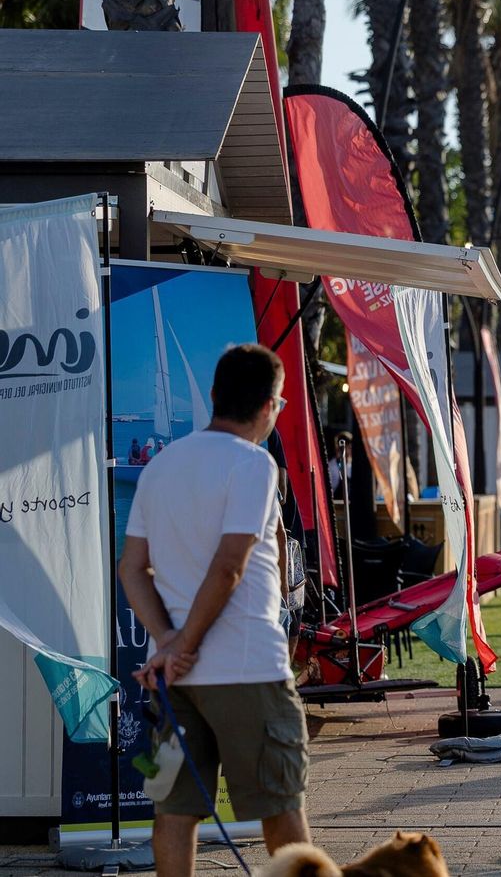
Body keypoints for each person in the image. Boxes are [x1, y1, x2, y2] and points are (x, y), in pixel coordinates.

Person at [116, 343, 311, 873]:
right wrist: (183, 644)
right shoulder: (254, 464)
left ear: (213, 395)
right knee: (280, 806)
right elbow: (230, 566)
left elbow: (131, 568)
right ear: (269, 406)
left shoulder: (159, 466)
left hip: (176, 679)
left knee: (174, 810)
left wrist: (168, 643)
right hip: (249, 669)